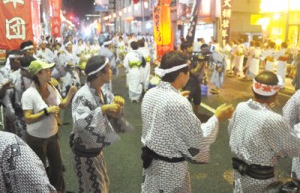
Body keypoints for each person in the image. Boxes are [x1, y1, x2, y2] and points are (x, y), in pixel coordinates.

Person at [141, 51, 234, 193]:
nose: (189, 74)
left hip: (152, 162)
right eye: (187, 72)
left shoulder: (151, 93)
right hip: (170, 168)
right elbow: (198, 138)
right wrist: (217, 118)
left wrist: (178, 97)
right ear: (180, 75)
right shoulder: (178, 102)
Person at [228, 70, 300, 193]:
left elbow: (231, 131)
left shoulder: (241, 107)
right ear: (274, 95)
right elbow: (295, 147)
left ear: (252, 89)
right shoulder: (273, 119)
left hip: (239, 172)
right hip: (259, 180)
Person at [70, 55, 133, 193]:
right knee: (93, 188)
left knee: (101, 185)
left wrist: (118, 105)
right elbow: (80, 122)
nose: (111, 71)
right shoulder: (83, 95)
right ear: (99, 73)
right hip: (85, 153)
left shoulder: (102, 91)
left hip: (95, 151)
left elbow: (113, 115)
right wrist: (103, 109)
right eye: (108, 69)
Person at [21, 60, 77, 193]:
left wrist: (71, 93)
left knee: (57, 167)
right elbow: (28, 119)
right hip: (36, 138)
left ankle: (58, 190)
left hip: (52, 134)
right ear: (38, 74)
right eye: (46, 70)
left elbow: (62, 105)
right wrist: (46, 111)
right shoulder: (29, 94)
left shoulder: (51, 87)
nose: (50, 72)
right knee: (39, 169)